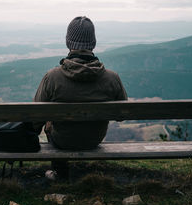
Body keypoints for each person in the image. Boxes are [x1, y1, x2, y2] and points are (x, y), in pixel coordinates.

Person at [34, 16, 128, 177]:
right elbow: (122, 114)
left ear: (68, 42)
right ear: (93, 43)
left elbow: (36, 114)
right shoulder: (112, 78)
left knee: (49, 122)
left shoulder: (52, 77)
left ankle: (60, 173)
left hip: (62, 141)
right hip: (94, 139)